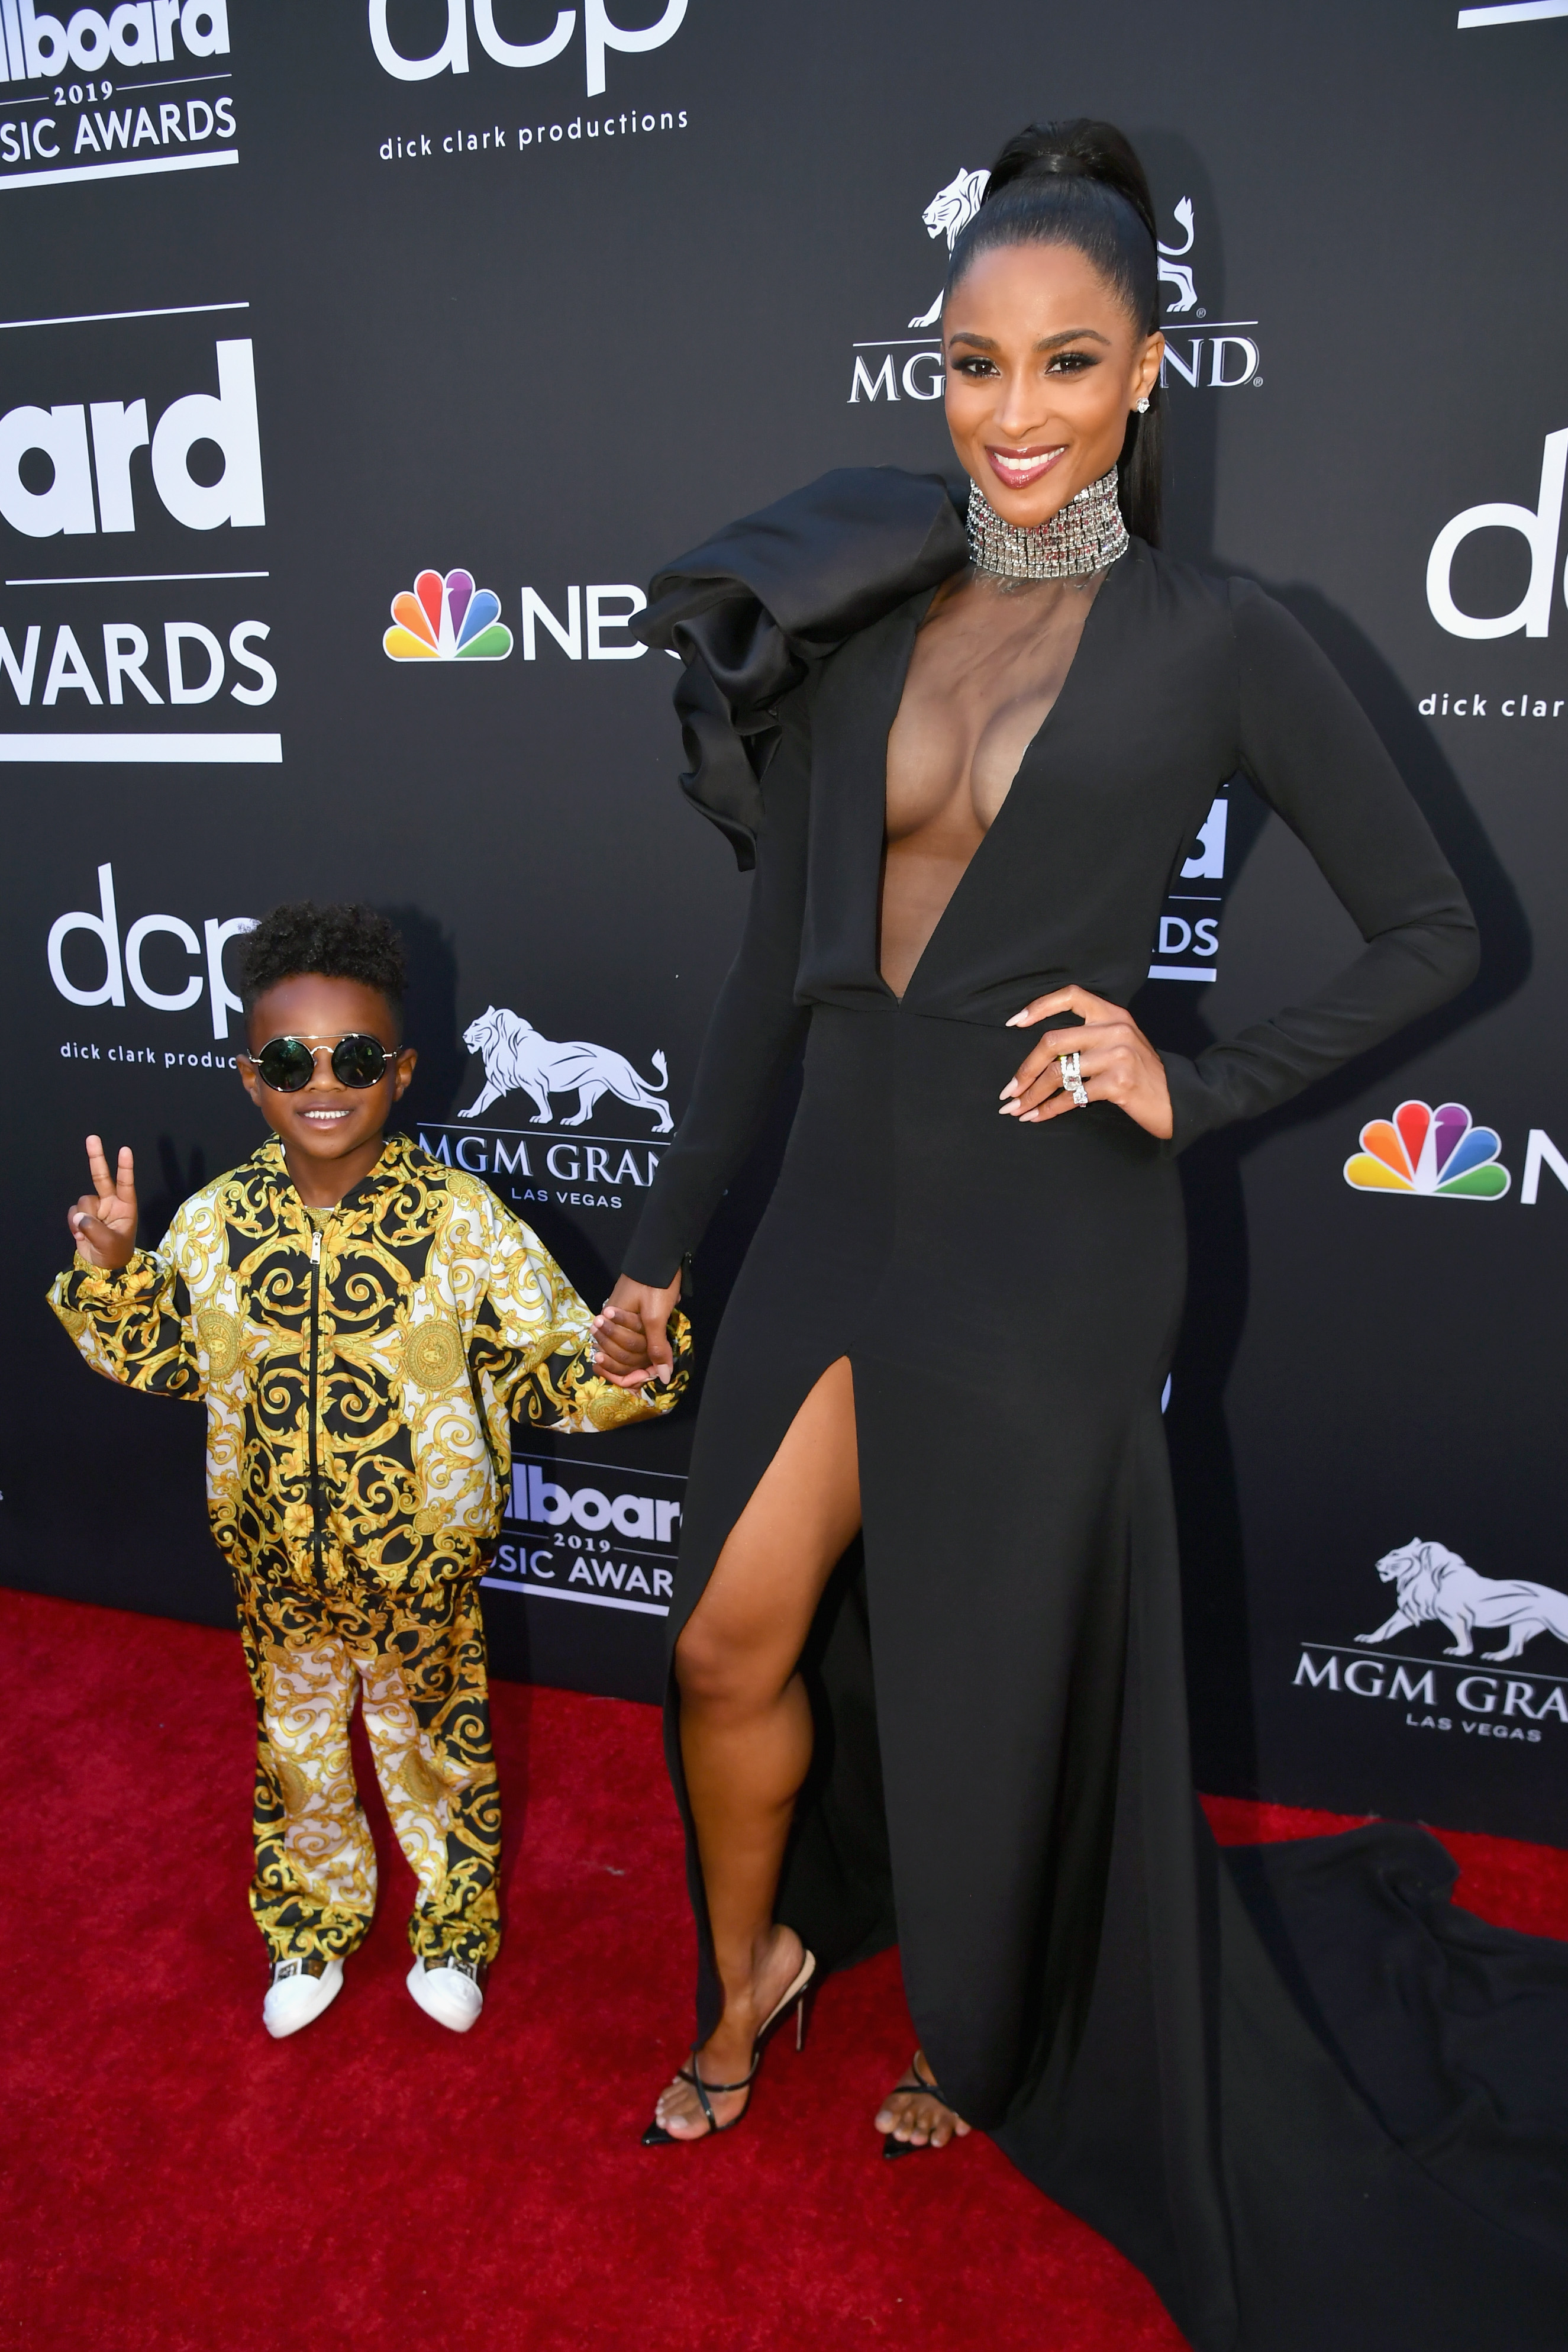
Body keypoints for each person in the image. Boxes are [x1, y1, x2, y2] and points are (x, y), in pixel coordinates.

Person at [596, 121, 1568, 2352]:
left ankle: (990, 2022)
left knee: (981, 1691)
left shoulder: (1229, 639)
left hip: (1050, 1231)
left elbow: (1435, 925)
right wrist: (660, 1242)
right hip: (838, 1184)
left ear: (1149, 371)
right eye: (969, 365)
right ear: (927, 373)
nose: (1012, 417)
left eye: (1065, 364)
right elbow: (768, 977)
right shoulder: (858, 609)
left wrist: (1188, 1078)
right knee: (726, 1647)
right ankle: (750, 1975)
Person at [50, 901, 685, 2041]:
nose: (323, 1081)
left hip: (424, 1575)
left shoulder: (463, 1222)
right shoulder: (213, 1222)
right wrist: (110, 1275)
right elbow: (160, 1359)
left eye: (356, 1056)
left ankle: (451, 1929)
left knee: (439, 1755)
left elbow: (548, 1370)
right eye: (291, 1059)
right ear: (253, 1078)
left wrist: (627, 1364)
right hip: (275, 1572)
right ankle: (309, 1924)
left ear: (401, 1072)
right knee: (296, 1759)